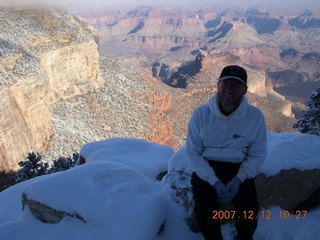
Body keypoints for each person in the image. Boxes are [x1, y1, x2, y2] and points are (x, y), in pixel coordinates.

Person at [186, 65, 267, 240]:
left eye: (236, 85)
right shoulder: (201, 114)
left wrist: (239, 179)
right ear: (218, 86)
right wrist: (214, 181)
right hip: (207, 167)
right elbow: (193, 153)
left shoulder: (255, 116)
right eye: (225, 84)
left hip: (239, 168)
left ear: (245, 90)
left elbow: (257, 155)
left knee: (249, 211)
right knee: (205, 210)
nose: (229, 90)